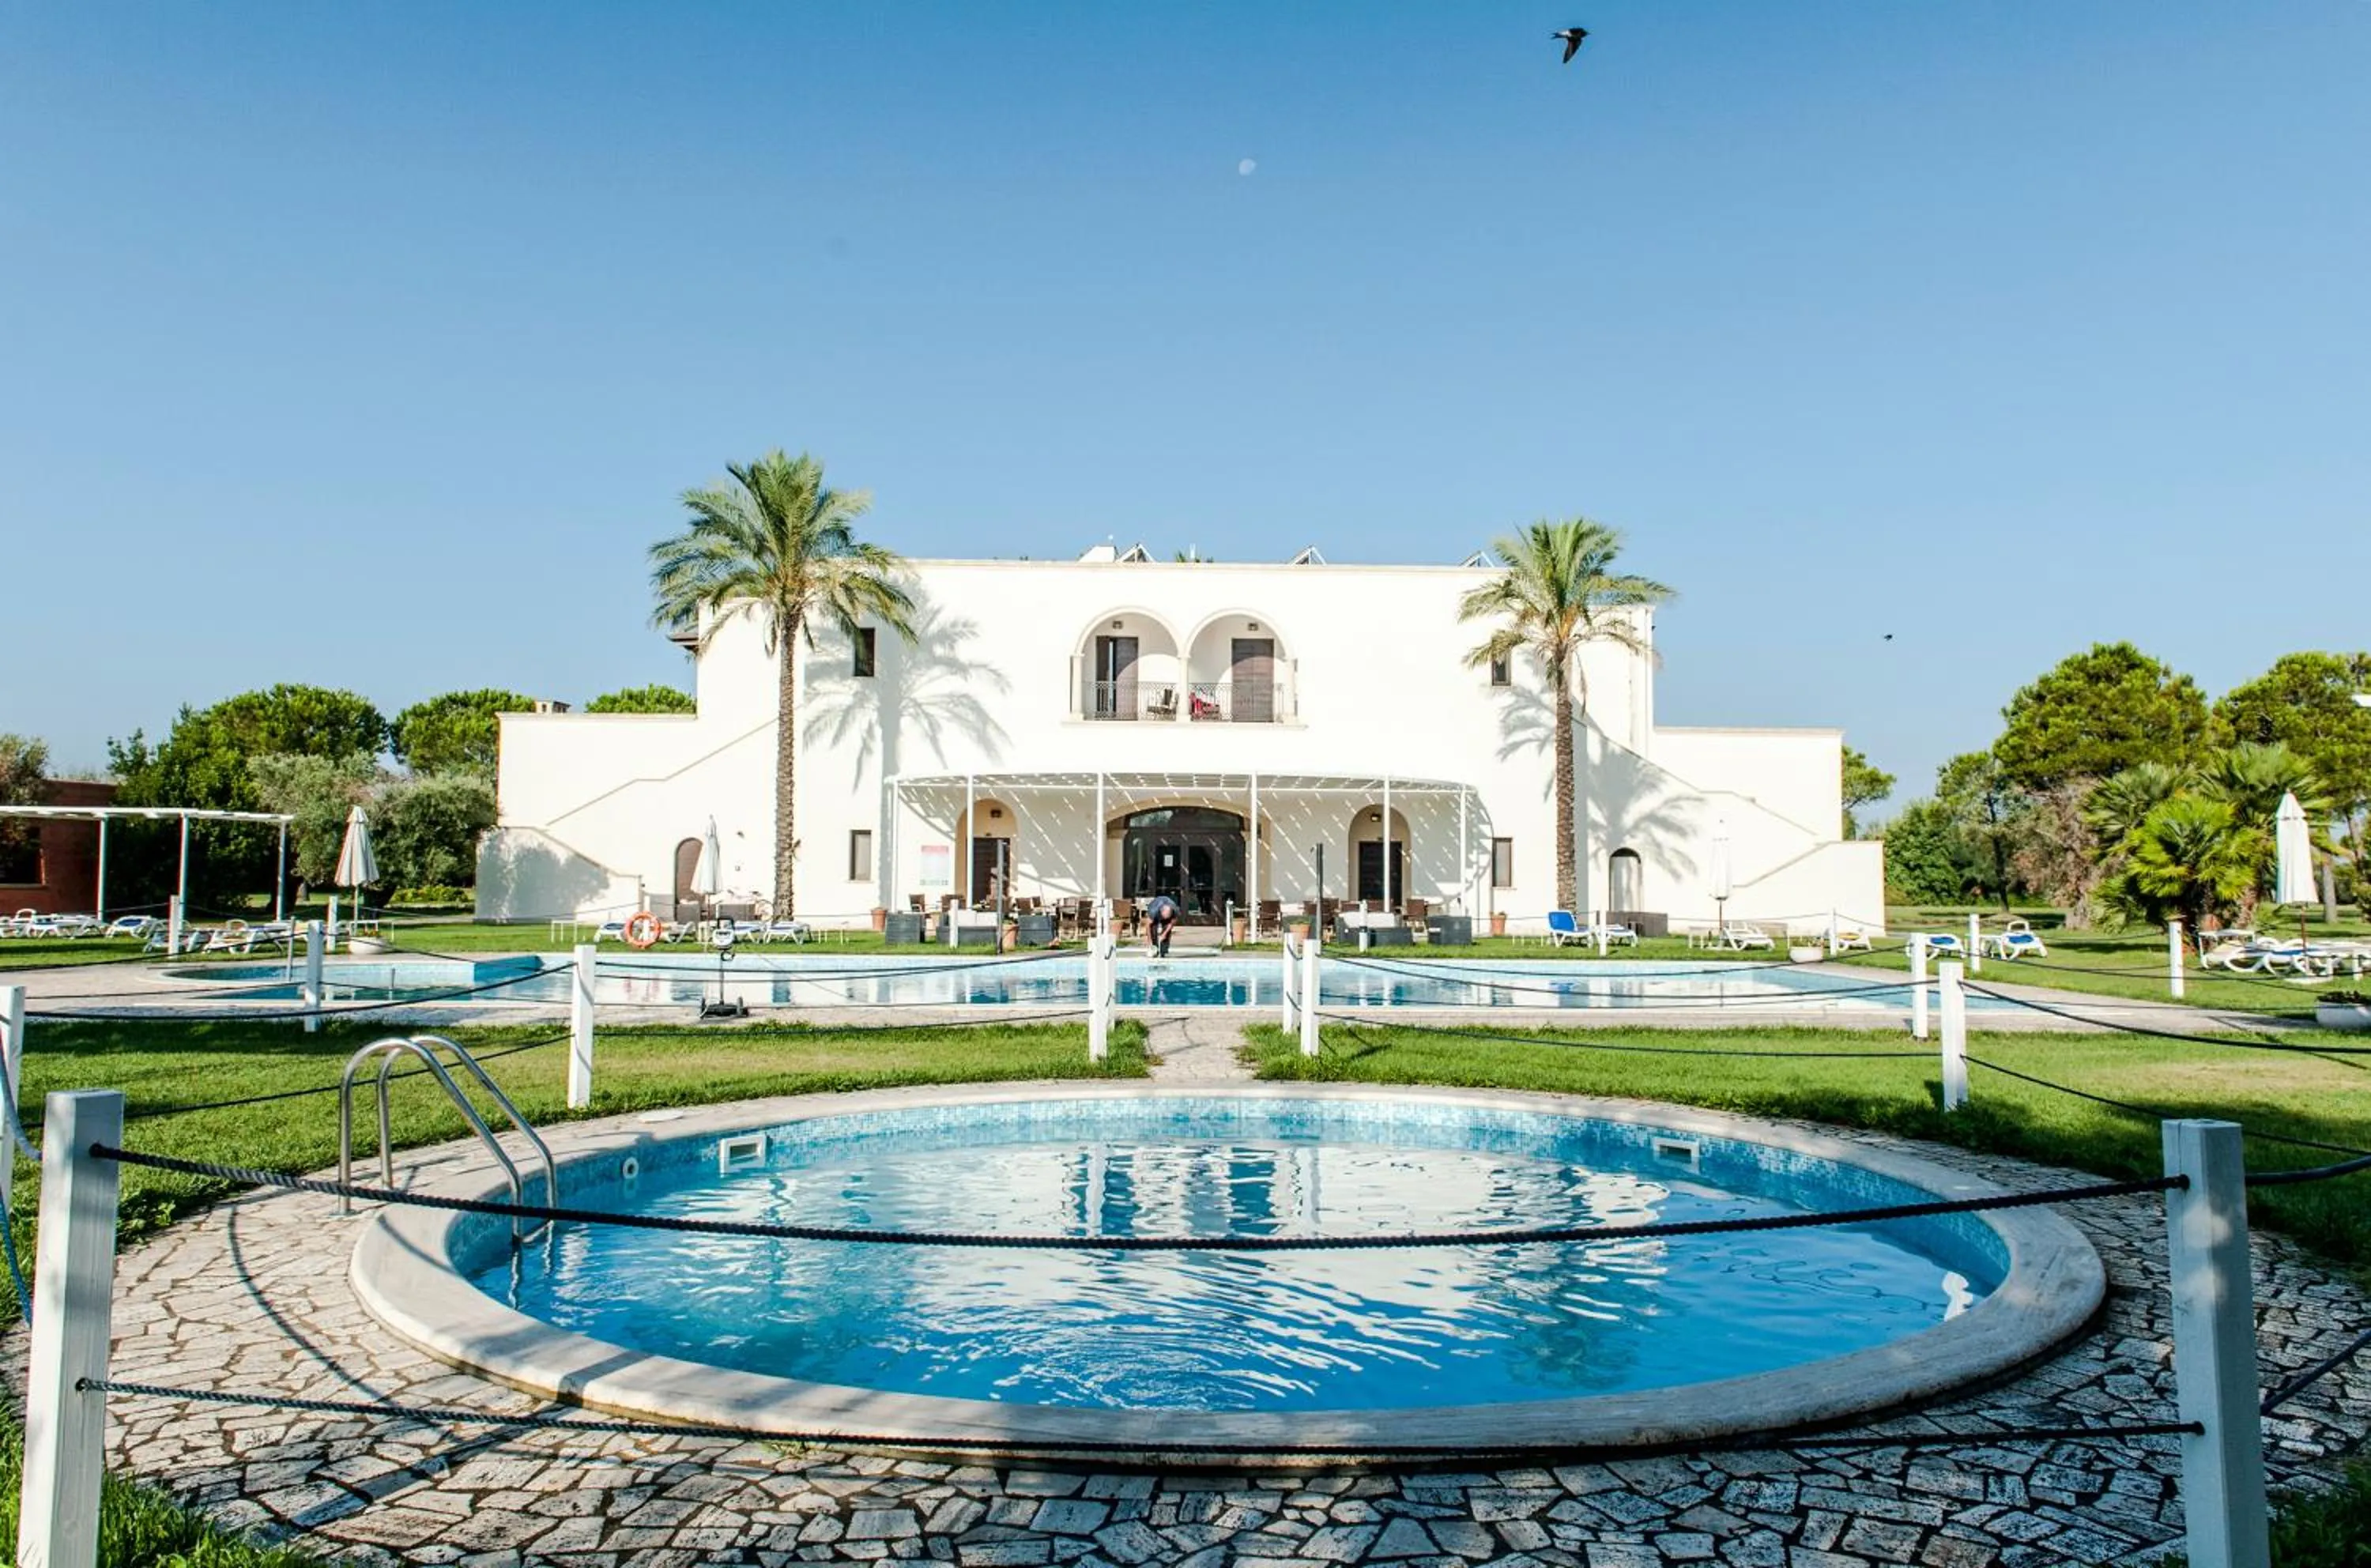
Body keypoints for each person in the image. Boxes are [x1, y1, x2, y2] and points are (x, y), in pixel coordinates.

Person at [1144, 893, 1181, 958]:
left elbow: (1172, 923)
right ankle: (1154, 949)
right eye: (1164, 917)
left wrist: (1164, 934)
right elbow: (1148, 926)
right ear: (1161, 912)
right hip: (1155, 906)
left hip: (1167, 909)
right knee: (1153, 929)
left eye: (1167, 917)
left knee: (1166, 931)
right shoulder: (1153, 911)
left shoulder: (1175, 910)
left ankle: (1163, 951)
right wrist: (1149, 940)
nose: (1165, 919)